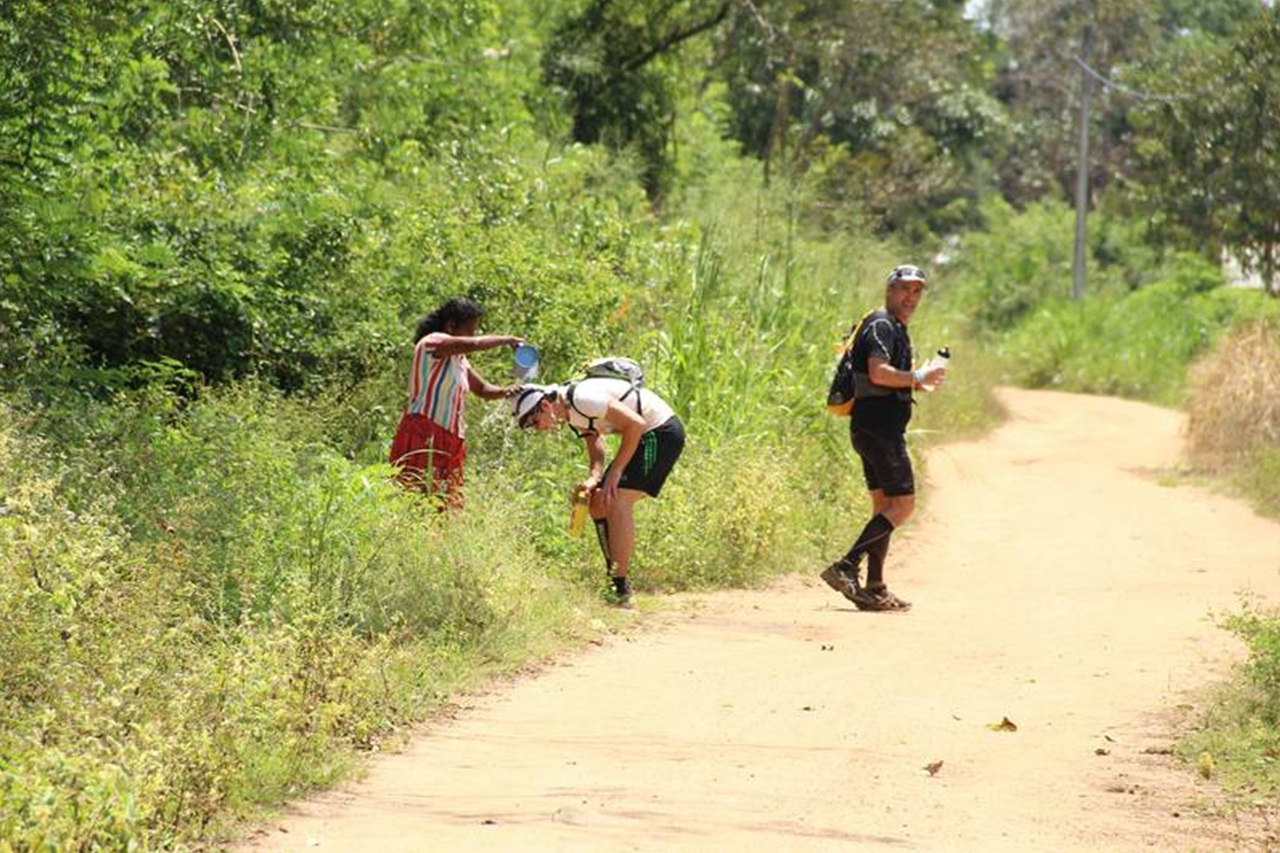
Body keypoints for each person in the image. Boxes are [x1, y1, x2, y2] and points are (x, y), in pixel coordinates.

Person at [820, 264, 946, 612]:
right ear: (890, 290)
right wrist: (916, 376)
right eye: (905, 289)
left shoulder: (892, 327)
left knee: (883, 508)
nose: (911, 297)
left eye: (917, 291)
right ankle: (846, 566)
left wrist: (916, 380)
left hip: (870, 428)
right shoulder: (882, 325)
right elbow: (879, 372)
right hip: (880, 431)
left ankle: (875, 586)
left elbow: (886, 375)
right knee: (903, 506)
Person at [511, 372, 685, 607]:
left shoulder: (582, 399)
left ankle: (620, 587)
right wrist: (594, 476)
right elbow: (595, 440)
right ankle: (614, 578)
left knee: (617, 500)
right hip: (642, 436)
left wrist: (614, 472)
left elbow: (636, 424)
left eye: (534, 422)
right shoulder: (569, 412)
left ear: (544, 405)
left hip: (661, 432)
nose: (538, 429)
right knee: (597, 502)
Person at [388, 297, 521, 505]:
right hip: (424, 433)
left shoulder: (459, 361)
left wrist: (508, 391)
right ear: (450, 326)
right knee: (414, 500)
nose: (473, 336)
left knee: (443, 505)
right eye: (470, 330)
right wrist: (507, 340)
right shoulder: (431, 343)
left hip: (450, 439)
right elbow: (475, 344)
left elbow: (483, 389)